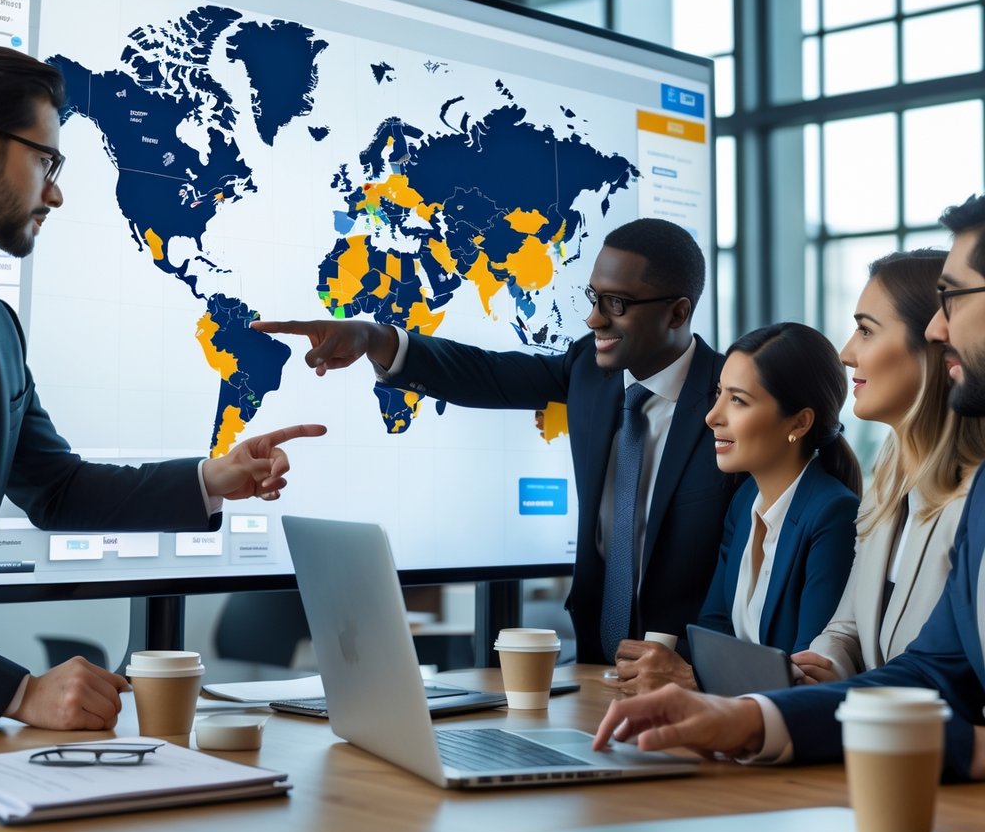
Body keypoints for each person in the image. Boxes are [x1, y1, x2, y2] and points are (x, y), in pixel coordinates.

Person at [0, 44, 326, 832]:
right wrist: (17, 691)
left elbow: (56, 488)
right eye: (46, 162)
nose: (56, 193)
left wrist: (210, 480)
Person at [592, 194, 985, 781]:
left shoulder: (860, 506)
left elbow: (938, 688)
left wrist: (734, 697)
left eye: (866, 330)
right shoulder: (901, 492)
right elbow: (912, 663)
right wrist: (756, 713)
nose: (937, 328)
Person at [253, 218, 739, 663]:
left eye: (617, 304)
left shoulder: (734, 403)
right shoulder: (590, 371)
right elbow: (489, 375)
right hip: (596, 666)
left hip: (693, 676)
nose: (594, 319)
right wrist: (374, 338)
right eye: (594, 297)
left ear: (677, 313)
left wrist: (695, 667)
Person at [612, 323, 861, 694]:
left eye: (738, 400)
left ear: (799, 422)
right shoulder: (745, 501)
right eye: (719, 394)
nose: (712, 416)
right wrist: (664, 662)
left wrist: (694, 678)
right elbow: (714, 631)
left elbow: (807, 674)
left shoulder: (833, 515)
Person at [792, 251, 985, 683]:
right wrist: (823, 666)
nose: (846, 353)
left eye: (866, 330)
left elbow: (949, 676)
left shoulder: (974, 502)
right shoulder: (888, 486)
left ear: (934, 345)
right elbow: (847, 628)